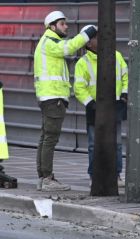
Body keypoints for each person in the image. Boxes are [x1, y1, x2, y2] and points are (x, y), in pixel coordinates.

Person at [34, 11, 97, 192]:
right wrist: (88, 33)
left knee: (45, 138)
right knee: (50, 139)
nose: (66, 26)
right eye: (62, 23)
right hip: (53, 98)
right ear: (52, 26)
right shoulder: (50, 42)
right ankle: (47, 179)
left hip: (50, 97)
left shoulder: (48, 42)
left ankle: (42, 177)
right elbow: (69, 48)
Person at [73, 26, 128, 187]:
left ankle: (116, 175)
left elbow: (125, 76)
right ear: (88, 43)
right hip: (94, 108)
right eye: (96, 37)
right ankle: (94, 176)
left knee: (116, 143)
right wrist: (90, 103)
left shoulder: (117, 56)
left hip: (115, 106)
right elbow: (79, 88)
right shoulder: (83, 63)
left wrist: (124, 95)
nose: (100, 40)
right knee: (93, 144)